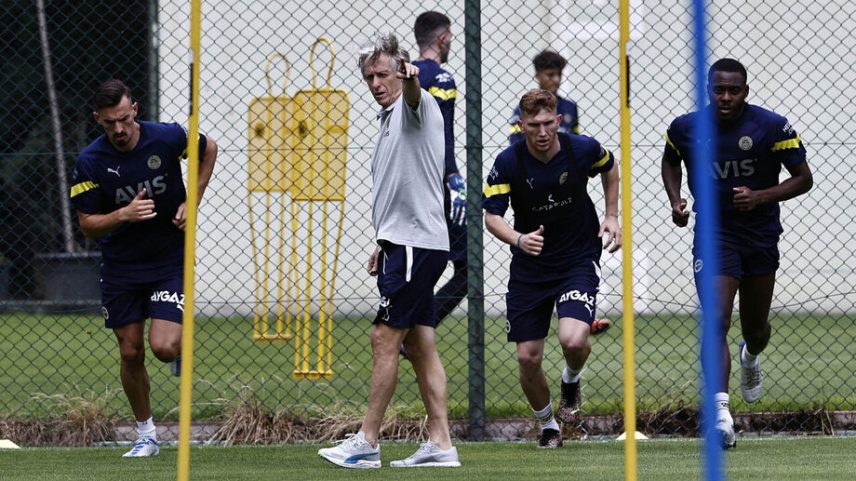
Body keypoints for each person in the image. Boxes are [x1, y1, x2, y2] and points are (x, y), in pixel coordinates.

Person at [317, 34, 460, 469]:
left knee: (384, 337)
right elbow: (400, 188)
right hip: (404, 243)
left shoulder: (417, 105)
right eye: (369, 77)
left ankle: (367, 441)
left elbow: (415, 94)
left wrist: (413, 78)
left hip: (416, 244)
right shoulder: (388, 119)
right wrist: (384, 242)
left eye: (383, 74)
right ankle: (441, 444)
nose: (376, 83)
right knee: (420, 345)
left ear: (400, 69)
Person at [660, 58, 812, 449]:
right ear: (708, 90)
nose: (726, 97)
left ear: (745, 91)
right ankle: (721, 415)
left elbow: (803, 179)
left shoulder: (771, 127)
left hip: (760, 235)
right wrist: (676, 200)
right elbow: (670, 160)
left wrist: (760, 196)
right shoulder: (685, 128)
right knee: (716, 318)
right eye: (719, 89)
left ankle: (750, 356)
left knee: (755, 330)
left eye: (733, 90)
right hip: (714, 234)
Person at [69, 79, 218, 457]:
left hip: (169, 258)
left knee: (164, 347)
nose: (118, 129)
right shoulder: (90, 161)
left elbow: (209, 149)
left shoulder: (166, 137)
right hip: (121, 266)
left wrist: (193, 201)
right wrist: (123, 214)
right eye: (109, 123)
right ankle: (146, 435)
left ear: (134, 109)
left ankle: (177, 339)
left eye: (123, 119)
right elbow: (87, 225)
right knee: (131, 352)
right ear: (97, 120)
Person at [483, 89, 621, 448]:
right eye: (534, 125)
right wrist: (518, 239)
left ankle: (571, 381)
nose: (542, 132)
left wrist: (611, 215)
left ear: (559, 120)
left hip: (577, 259)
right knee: (527, 358)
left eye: (548, 123)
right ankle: (548, 426)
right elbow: (492, 216)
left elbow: (610, 167)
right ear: (521, 125)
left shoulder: (581, 148)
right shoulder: (508, 162)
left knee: (573, 340)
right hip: (530, 269)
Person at [405, 11, 465, 355]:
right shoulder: (441, 77)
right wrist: (453, 177)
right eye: (451, 37)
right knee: (468, 268)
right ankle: (415, 331)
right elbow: (442, 133)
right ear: (442, 39)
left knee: (423, 263)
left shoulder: (404, 77)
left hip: (409, 184)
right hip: (438, 183)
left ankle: (411, 330)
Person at [509, 50, 580, 145]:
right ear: (537, 75)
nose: (557, 79)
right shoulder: (523, 109)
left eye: (559, 74)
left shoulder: (570, 107)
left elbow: (576, 142)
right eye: (550, 75)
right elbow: (517, 144)